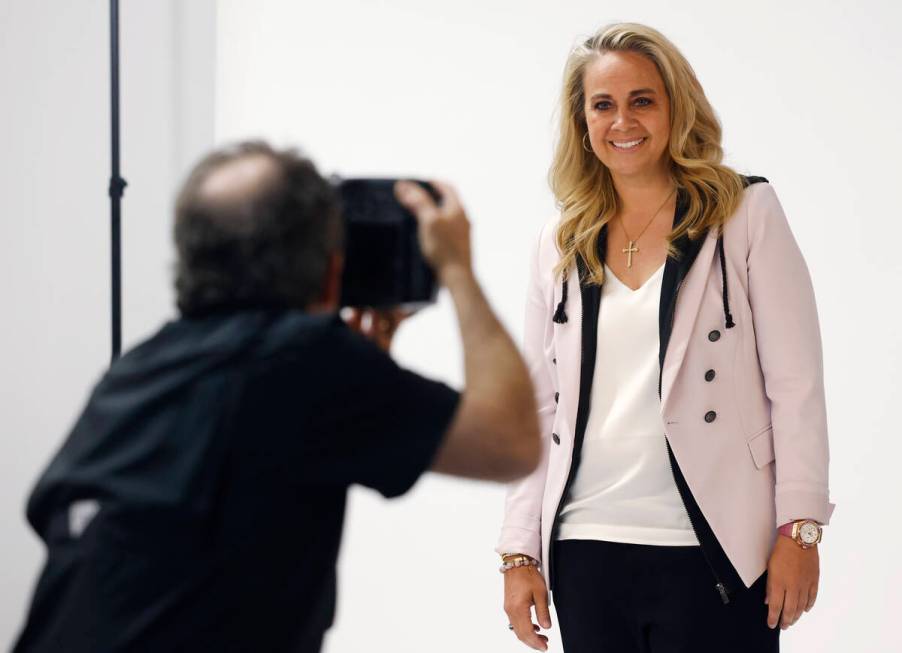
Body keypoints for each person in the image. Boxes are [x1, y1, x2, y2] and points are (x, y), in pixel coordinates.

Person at [14, 141, 540, 652]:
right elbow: (510, 442)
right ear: (330, 267)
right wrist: (456, 270)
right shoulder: (304, 360)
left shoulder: (138, 368)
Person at [496, 23, 835, 652]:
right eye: (603, 104)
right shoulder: (560, 243)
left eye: (642, 100)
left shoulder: (743, 214)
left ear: (676, 107)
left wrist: (800, 529)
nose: (623, 120)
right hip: (585, 549)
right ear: (583, 121)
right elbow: (536, 406)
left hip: (714, 549)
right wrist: (519, 553)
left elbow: (797, 384)